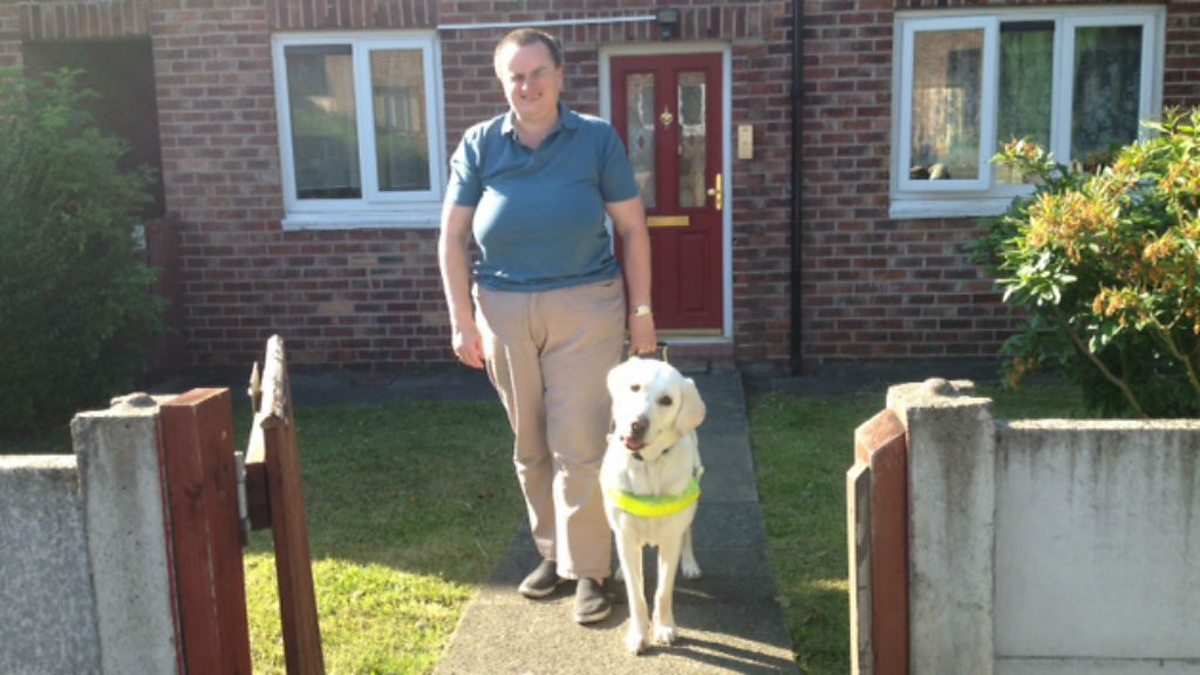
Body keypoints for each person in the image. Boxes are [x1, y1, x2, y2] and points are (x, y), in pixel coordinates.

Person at [437, 27, 656, 624]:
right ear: (502, 82)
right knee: (531, 444)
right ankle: (554, 553)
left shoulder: (596, 140)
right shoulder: (481, 145)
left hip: (586, 306)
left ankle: (590, 571)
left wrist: (642, 316)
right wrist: (462, 320)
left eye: (537, 72)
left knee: (579, 444)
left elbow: (633, 230)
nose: (527, 85)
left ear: (560, 77)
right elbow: (452, 239)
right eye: (515, 75)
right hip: (503, 310)